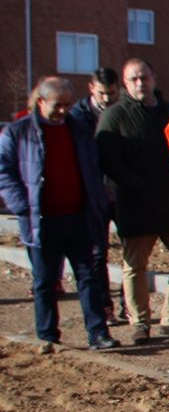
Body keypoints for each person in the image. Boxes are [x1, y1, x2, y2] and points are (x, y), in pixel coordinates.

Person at [0, 77, 117, 352]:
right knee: (44, 280)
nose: (63, 111)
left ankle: (98, 333)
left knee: (88, 276)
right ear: (40, 102)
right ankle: (47, 334)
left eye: (67, 104)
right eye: (57, 105)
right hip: (40, 219)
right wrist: (22, 205)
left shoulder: (78, 129)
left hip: (78, 217)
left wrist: (97, 205)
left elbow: (92, 169)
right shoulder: (18, 132)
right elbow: (4, 172)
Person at [96, 59, 169, 344]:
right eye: (133, 79)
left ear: (153, 78)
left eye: (144, 77)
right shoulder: (114, 116)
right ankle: (140, 323)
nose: (140, 83)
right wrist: (137, 186)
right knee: (134, 266)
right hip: (135, 204)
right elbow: (109, 161)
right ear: (125, 84)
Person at [71, 65, 122, 324]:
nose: (107, 99)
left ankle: (128, 306)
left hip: (122, 191)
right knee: (98, 252)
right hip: (94, 194)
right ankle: (105, 307)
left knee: (130, 251)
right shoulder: (78, 117)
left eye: (112, 93)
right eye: (102, 93)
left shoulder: (124, 111)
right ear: (92, 88)